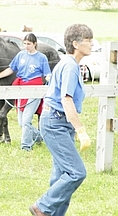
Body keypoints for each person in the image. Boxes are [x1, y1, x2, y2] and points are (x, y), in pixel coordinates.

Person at [29, 24, 92, 216]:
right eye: (88, 40)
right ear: (75, 43)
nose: (91, 44)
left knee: (61, 177)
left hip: (59, 123)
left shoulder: (69, 64)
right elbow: (66, 100)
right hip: (55, 123)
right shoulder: (70, 66)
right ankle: (42, 207)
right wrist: (81, 131)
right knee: (76, 172)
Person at [0, 33, 51, 151]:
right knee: (21, 122)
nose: (26, 46)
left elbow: (47, 74)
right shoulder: (20, 55)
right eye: (25, 44)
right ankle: (40, 137)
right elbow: (11, 69)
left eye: (29, 44)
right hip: (21, 89)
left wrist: (50, 82)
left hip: (34, 89)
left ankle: (26, 146)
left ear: (35, 44)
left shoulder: (41, 58)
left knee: (26, 120)